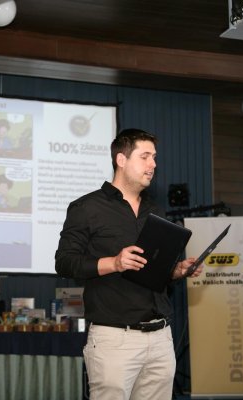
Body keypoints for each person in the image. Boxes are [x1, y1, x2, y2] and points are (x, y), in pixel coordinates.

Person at [55, 128, 203, 400]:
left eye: (154, 157)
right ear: (121, 160)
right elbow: (64, 262)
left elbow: (152, 270)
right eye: (145, 157)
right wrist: (114, 262)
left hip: (160, 339)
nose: (153, 164)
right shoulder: (86, 208)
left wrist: (175, 271)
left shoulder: (155, 211)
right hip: (115, 339)